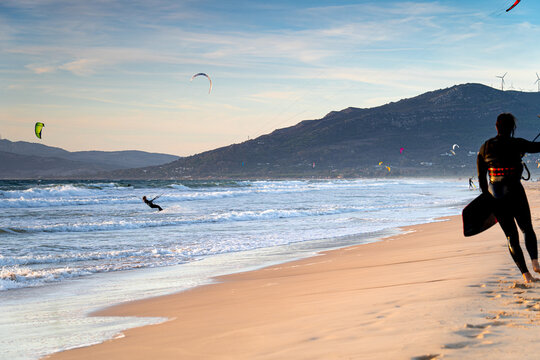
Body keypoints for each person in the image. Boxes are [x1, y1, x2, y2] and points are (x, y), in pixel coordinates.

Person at [477, 113, 540, 282]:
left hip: (496, 195)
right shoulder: (517, 143)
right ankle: (535, 263)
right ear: (512, 128)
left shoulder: (484, 147)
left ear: (496, 126)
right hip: (515, 192)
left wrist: (487, 201)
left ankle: (526, 276)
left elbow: (482, 180)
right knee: (527, 228)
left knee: (511, 236)